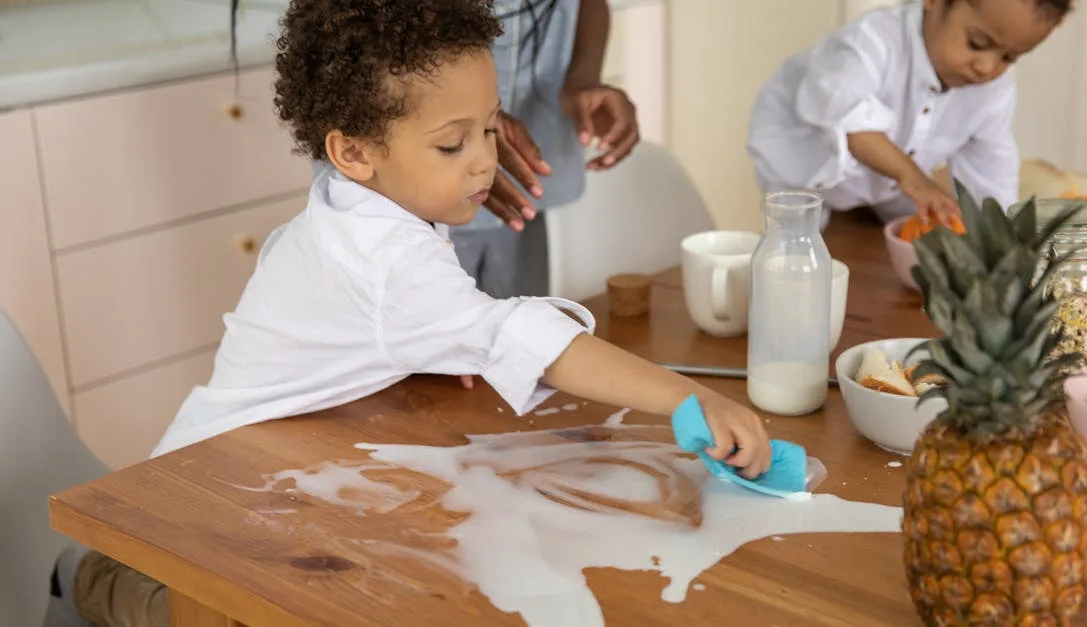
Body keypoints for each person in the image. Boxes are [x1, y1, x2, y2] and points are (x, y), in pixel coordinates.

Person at [42, 1, 766, 625]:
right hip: (182, 527)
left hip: (250, 475)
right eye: (453, 143)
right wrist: (688, 395)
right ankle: (80, 577)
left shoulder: (364, 202)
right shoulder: (384, 255)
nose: (485, 161)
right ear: (352, 151)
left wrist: (434, 341)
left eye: (489, 127)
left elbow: (398, 324)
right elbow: (524, 337)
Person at [746, 0, 1071, 229]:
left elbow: (991, 163)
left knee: (921, 229)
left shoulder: (994, 89)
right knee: (796, 250)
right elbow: (851, 122)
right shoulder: (872, 42)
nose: (987, 67)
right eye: (977, 43)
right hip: (802, 163)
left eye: (1009, 57)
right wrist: (915, 179)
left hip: (891, 182)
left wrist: (1001, 235)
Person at [453, 0, 640, 298]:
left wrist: (583, 79)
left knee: (523, 324)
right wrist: (460, 114)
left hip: (528, 195)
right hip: (426, 207)